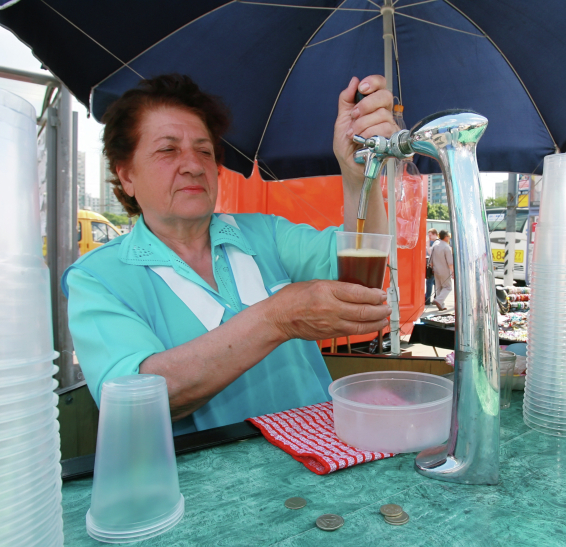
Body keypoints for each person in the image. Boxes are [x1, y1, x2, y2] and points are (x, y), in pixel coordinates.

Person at [63, 74, 394, 435]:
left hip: (322, 460)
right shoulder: (99, 278)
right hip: (211, 489)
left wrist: (359, 174)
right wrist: (277, 318)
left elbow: (363, 267)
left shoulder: (264, 233)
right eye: (168, 150)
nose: (193, 164)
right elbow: (133, 400)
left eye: (204, 150)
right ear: (126, 176)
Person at [431, 231, 454, 311]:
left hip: (435, 269)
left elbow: (431, 257)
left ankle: (441, 305)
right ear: (446, 236)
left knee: (438, 287)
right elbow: (450, 263)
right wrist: (453, 272)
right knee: (448, 287)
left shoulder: (435, 244)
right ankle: (439, 300)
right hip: (444, 270)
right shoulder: (446, 247)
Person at [424, 228, 438, 305]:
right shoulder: (437, 242)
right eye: (428, 235)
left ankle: (428, 299)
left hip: (433, 265)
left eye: (430, 235)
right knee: (435, 283)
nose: (429, 236)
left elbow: (430, 252)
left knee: (429, 282)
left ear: (435, 234)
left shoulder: (434, 243)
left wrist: (428, 244)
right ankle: (436, 299)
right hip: (434, 265)